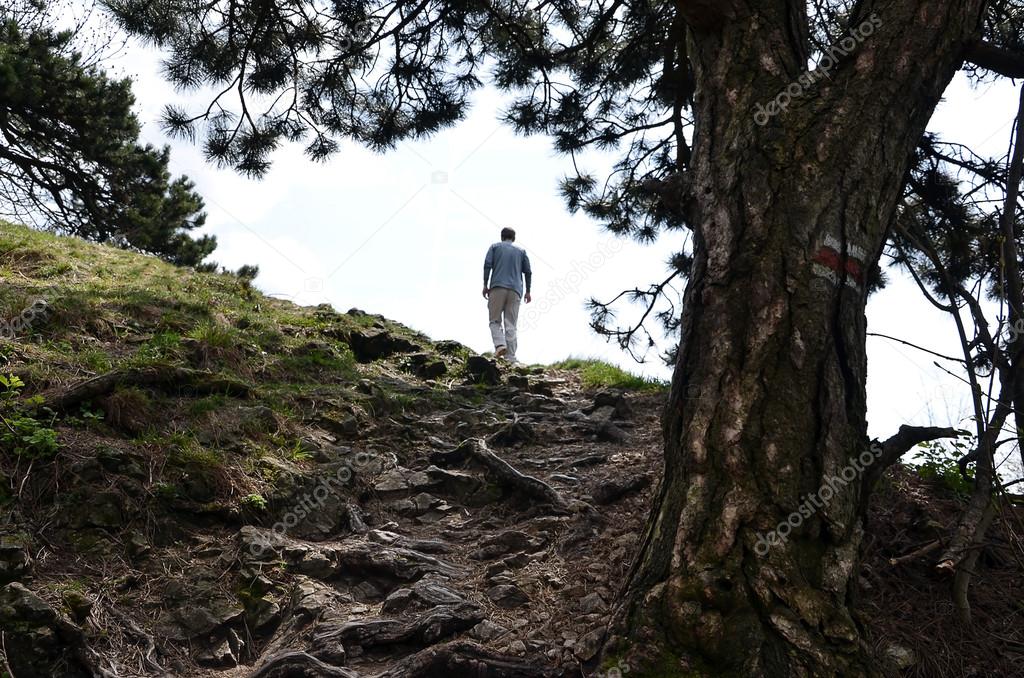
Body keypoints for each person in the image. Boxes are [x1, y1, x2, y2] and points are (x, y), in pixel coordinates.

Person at [483, 227, 532, 362]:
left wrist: (485, 284)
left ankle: (500, 345)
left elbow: (487, 265)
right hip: (515, 290)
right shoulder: (521, 251)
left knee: (494, 320)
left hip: (497, 287)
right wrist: (528, 291)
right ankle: (511, 357)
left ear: (502, 236)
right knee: (511, 324)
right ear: (513, 237)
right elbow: (528, 272)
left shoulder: (494, 247)